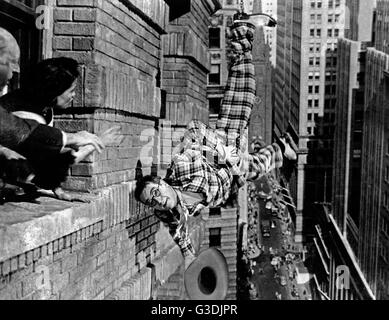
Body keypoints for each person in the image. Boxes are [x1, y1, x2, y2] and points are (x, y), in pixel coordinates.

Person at [135, 18, 298, 268]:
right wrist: (188, 253)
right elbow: (177, 232)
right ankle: (280, 149)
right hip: (229, 184)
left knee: (244, 88)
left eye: (155, 193)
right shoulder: (167, 211)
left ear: (161, 182)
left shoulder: (181, 165)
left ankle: (241, 29)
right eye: (151, 202)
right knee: (254, 169)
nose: (157, 200)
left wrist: (225, 152)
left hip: (224, 147)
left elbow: (196, 129)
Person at [0, 27, 122, 201]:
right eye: (71, 90)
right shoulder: (23, 112)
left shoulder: (42, 107)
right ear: (54, 91)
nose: (73, 96)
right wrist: (91, 142)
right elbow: (49, 165)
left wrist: (57, 190)